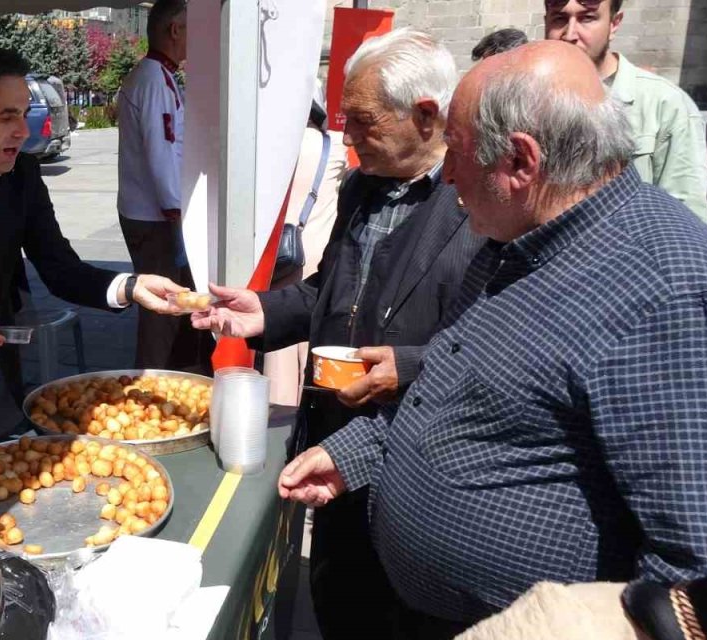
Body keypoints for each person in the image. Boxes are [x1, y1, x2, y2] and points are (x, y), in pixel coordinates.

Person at [276, 41, 707, 638]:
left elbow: (691, 561)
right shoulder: (519, 239)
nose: (447, 175)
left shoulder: (665, 289)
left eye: (457, 155)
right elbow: (453, 386)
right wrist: (353, 452)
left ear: (521, 161)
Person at [190, 28, 485, 640]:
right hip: (332, 440)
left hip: (415, 463)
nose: (346, 138)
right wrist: (262, 313)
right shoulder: (360, 186)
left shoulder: (480, 204)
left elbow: (492, 341)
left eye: (363, 122)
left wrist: (408, 364)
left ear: (425, 115)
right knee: (338, 600)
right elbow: (328, 289)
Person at [0, 45, 184, 453]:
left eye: (24, 114)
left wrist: (131, 286)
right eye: (6, 116)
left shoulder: (22, 175)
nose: (23, 131)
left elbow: (59, 267)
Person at [545, 0, 707, 221]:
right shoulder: (528, 97)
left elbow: (687, 219)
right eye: (559, 18)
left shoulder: (665, 104)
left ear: (614, 24)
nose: (570, 34)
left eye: (587, 18)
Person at [117, 0, 209, 371]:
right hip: (156, 218)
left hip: (152, 213)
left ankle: (172, 377)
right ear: (175, 30)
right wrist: (177, 213)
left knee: (173, 308)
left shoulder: (157, 75)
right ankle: (152, 386)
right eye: (191, 28)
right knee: (163, 312)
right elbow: (162, 152)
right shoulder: (154, 79)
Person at [263, 102, 348, 406]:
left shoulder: (273, 147)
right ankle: (308, 404)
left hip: (282, 253)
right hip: (319, 248)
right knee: (311, 336)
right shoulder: (334, 146)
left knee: (281, 342)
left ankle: (279, 410)